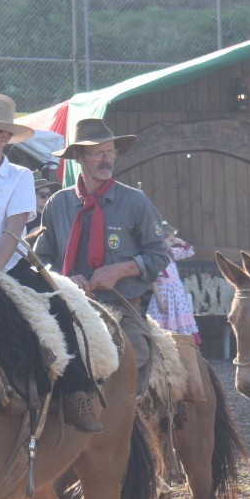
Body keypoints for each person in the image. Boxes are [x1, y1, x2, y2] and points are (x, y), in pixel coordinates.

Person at [0, 94, 105, 432]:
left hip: (8, 266)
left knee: (59, 310)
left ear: (3, 138)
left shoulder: (21, 177)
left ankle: (76, 393)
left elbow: (14, 229)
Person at [35, 117, 170, 402]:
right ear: (78, 156)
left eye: (111, 152)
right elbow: (41, 259)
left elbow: (159, 254)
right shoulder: (57, 204)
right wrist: (65, 280)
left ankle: (133, 422)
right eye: (99, 152)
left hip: (121, 306)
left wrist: (120, 270)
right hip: (69, 304)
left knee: (133, 354)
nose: (107, 159)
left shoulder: (135, 202)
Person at [149, 222, 200, 343]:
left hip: (176, 294)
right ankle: (165, 344)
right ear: (161, 240)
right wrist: (159, 301)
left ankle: (183, 342)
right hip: (163, 294)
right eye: (170, 240)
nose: (172, 243)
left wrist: (181, 242)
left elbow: (190, 252)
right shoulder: (154, 257)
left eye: (172, 240)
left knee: (179, 318)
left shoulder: (172, 253)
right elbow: (153, 282)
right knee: (163, 320)